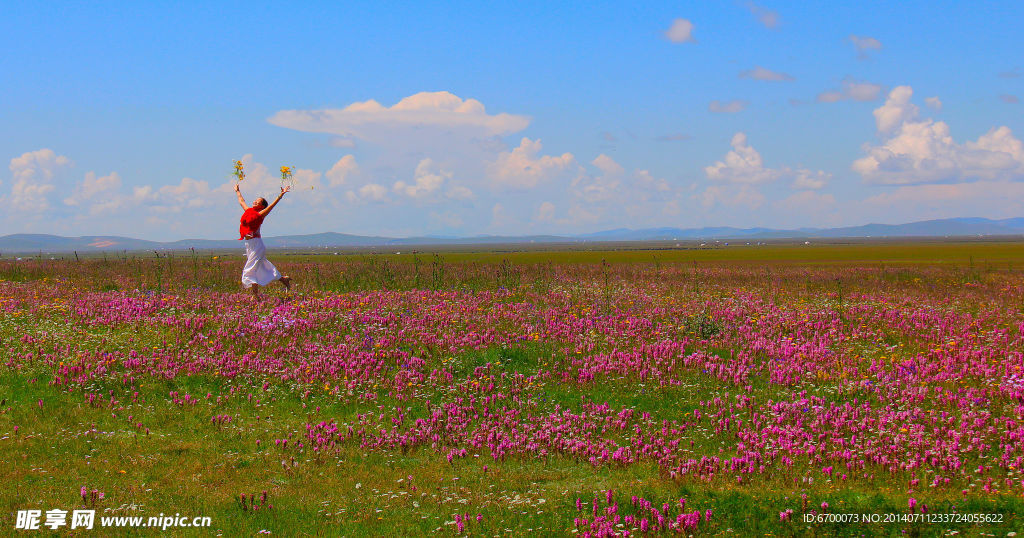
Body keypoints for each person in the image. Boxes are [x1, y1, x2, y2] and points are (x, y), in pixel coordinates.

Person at [234, 184, 292, 301]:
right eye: (255, 200)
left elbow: (271, 206)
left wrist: (280, 195)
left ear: (261, 206)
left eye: (258, 202)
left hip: (257, 245)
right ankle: (283, 279)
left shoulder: (261, 214)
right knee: (263, 267)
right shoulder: (248, 211)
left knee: (250, 269)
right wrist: (237, 191)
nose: (255, 202)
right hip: (249, 245)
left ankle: (255, 296)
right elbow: (241, 201)